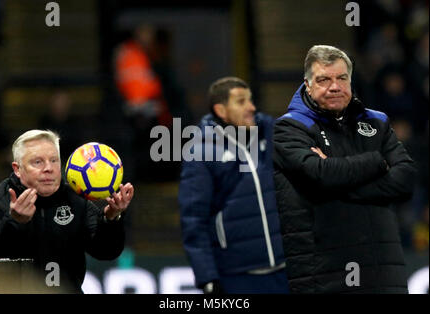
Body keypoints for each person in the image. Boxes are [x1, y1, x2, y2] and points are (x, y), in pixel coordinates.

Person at [272, 45, 416, 294]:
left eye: (342, 78)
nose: (335, 86)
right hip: (324, 274)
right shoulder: (289, 129)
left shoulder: (376, 122)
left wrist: (337, 181)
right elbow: (320, 175)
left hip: (384, 271)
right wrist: (377, 163)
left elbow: (405, 180)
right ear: (307, 84)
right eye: (324, 80)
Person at [0, 130, 134, 293]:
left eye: (54, 160)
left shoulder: (76, 200)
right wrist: (14, 221)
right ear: (18, 169)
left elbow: (106, 252)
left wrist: (111, 219)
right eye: (38, 162)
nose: (49, 168)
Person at [178, 77, 289, 294]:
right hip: (238, 276)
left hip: (287, 269)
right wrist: (207, 277)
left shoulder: (270, 131)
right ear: (220, 110)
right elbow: (193, 220)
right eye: (241, 102)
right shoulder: (201, 152)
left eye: (250, 100)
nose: (251, 107)